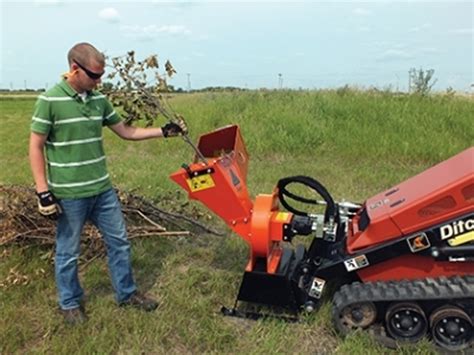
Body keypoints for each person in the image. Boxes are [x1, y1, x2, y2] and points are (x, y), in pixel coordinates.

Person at [29, 42, 187, 325]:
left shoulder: (98, 100)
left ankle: (126, 294)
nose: (99, 81)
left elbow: (126, 131)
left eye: (101, 75)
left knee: (120, 243)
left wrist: (163, 132)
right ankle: (69, 303)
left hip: (102, 191)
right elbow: (35, 146)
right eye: (94, 75)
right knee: (68, 251)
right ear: (74, 69)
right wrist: (43, 191)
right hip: (69, 194)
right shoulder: (50, 101)